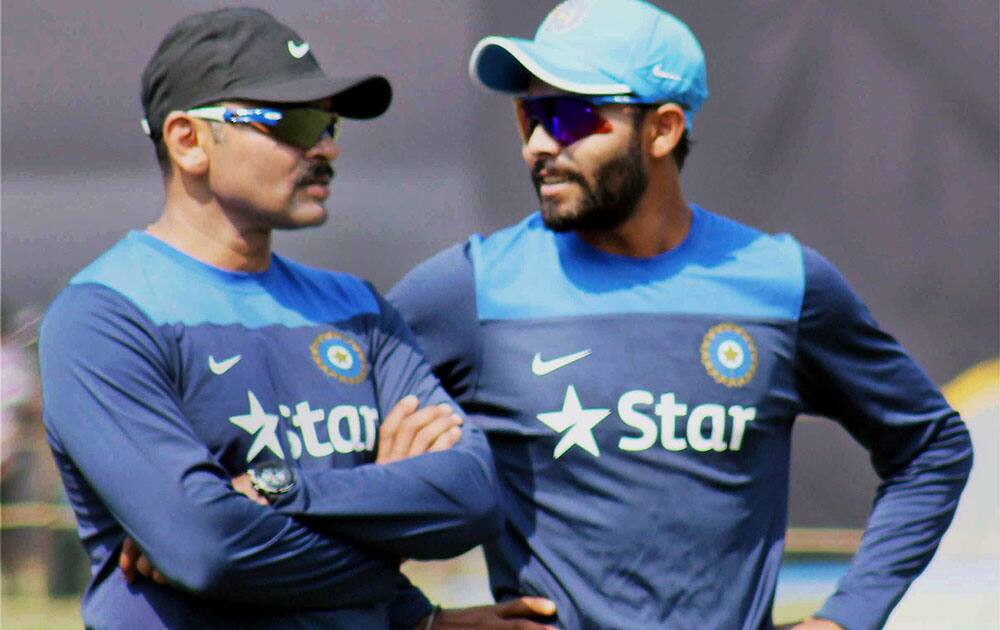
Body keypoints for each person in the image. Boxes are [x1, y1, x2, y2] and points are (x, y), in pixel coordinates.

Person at [388, 1, 974, 628]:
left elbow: (932, 446)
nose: (538, 144)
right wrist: (423, 621)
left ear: (663, 129)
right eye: (528, 114)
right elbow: (321, 471)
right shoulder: (467, 290)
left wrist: (848, 617)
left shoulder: (782, 282)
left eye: (568, 116)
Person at [39, 8, 556, 629]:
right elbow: (211, 549)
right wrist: (390, 532)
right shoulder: (104, 316)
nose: (328, 145)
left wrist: (281, 491)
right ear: (188, 140)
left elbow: (470, 495)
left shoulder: (358, 309)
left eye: (330, 122)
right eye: (296, 121)